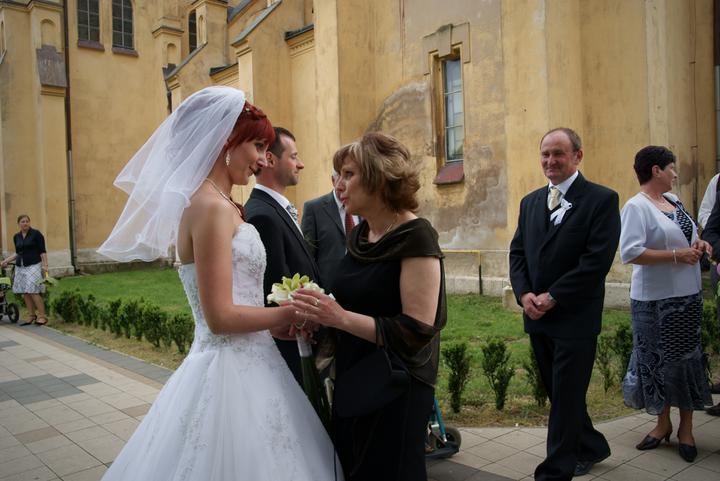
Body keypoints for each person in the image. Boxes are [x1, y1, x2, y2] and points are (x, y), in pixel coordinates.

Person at [96, 87, 342, 481]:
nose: (262, 159)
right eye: (257, 146)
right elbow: (219, 318)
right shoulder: (208, 207)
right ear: (227, 140)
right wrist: (291, 311)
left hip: (256, 359)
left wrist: (273, 324)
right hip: (228, 371)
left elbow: (238, 299)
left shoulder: (222, 204)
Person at [292, 132, 447, 481]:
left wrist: (339, 317)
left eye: (348, 175)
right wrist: (318, 320)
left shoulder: (416, 236)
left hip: (396, 386)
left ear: (378, 178)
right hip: (355, 375)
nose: (339, 185)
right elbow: (352, 302)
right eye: (338, 175)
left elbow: (416, 330)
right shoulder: (361, 236)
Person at [509, 127, 619, 480]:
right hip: (537, 316)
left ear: (577, 156)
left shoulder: (601, 200)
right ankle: (591, 445)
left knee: (567, 397)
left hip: (575, 317)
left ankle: (555, 471)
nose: (550, 161)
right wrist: (524, 294)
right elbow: (517, 253)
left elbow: (595, 261)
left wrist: (553, 296)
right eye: (545, 154)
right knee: (561, 394)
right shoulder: (530, 202)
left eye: (558, 153)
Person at [619, 145, 713, 462]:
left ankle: (687, 428)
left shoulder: (673, 200)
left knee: (685, 363)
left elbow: (686, 236)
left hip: (687, 297)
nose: (675, 173)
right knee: (657, 365)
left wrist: (698, 243)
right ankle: (662, 424)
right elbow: (630, 252)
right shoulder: (636, 207)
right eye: (671, 168)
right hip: (654, 303)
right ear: (656, 170)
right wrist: (677, 255)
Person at [245, 127, 321, 384]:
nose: (301, 164)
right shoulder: (262, 216)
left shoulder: (276, 209)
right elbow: (275, 290)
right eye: (294, 156)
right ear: (270, 159)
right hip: (289, 349)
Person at [301, 171, 359, 288]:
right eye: (341, 188)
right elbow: (307, 257)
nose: (345, 190)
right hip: (327, 289)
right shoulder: (313, 208)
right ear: (333, 180)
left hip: (359, 285)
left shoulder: (362, 206)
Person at [1, 215, 49, 326]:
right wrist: (5, 261)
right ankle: (31, 315)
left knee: (33, 290)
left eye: (27, 221)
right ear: (19, 224)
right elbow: (17, 253)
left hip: (33, 264)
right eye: (23, 221)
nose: (25, 223)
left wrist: (45, 264)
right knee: (25, 292)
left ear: (29, 222)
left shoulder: (36, 234)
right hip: (20, 266)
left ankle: (42, 316)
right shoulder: (16, 236)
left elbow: (42, 251)